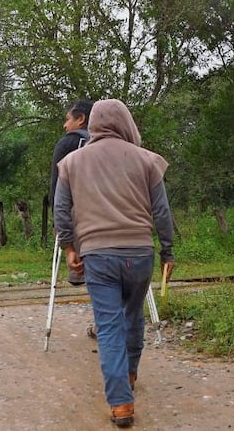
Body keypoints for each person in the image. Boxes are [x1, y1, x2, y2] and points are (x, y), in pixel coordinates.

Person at [54, 99, 175, 429]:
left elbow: (62, 210)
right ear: (126, 122)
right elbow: (162, 213)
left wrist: (69, 248)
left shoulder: (71, 163)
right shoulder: (146, 160)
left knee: (108, 327)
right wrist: (168, 252)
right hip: (138, 254)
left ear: (91, 123)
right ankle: (130, 373)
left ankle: (121, 403)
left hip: (97, 255)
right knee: (133, 315)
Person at [50, 100, 94, 285]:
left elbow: (57, 184)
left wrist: (57, 221)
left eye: (68, 119)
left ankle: (77, 274)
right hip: (106, 216)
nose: (65, 125)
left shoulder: (68, 143)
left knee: (79, 266)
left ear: (81, 119)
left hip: (76, 214)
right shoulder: (111, 143)